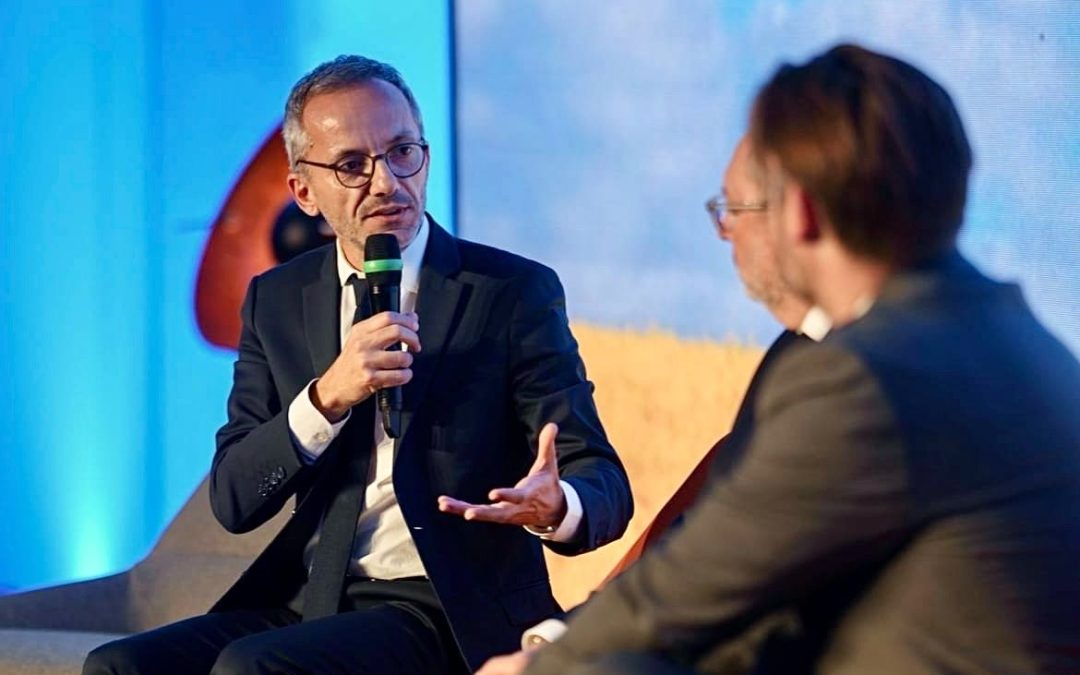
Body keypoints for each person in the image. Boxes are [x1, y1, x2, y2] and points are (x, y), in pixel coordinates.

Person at [489, 43, 1080, 675]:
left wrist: (532, 669)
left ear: (798, 211)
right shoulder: (1013, 332)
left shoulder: (870, 376)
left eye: (740, 207)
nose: (730, 232)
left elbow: (690, 590)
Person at [84, 55, 632, 675]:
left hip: (445, 609)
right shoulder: (276, 299)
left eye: (403, 153)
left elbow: (602, 478)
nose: (385, 183)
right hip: (310, 599)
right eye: (351, 165)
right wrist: (325, 400)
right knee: (118, 667)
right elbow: (235, 500)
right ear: (303, 192)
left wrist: (559, 505)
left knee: (253, 668)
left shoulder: (510, 292)